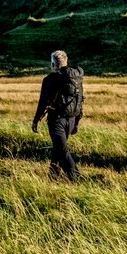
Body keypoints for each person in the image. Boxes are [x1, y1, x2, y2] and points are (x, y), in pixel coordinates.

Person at [31, 50, 84, 181]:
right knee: (59, 148)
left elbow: (43, 101)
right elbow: (80, 99)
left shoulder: (50, 79)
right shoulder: (77, 77)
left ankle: (77, 178)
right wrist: (77, 122)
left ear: (53, 64)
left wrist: (36, 120)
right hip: (72, 118)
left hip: (57, 119)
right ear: (66, 61)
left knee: (62, 150)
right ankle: (53, 175)